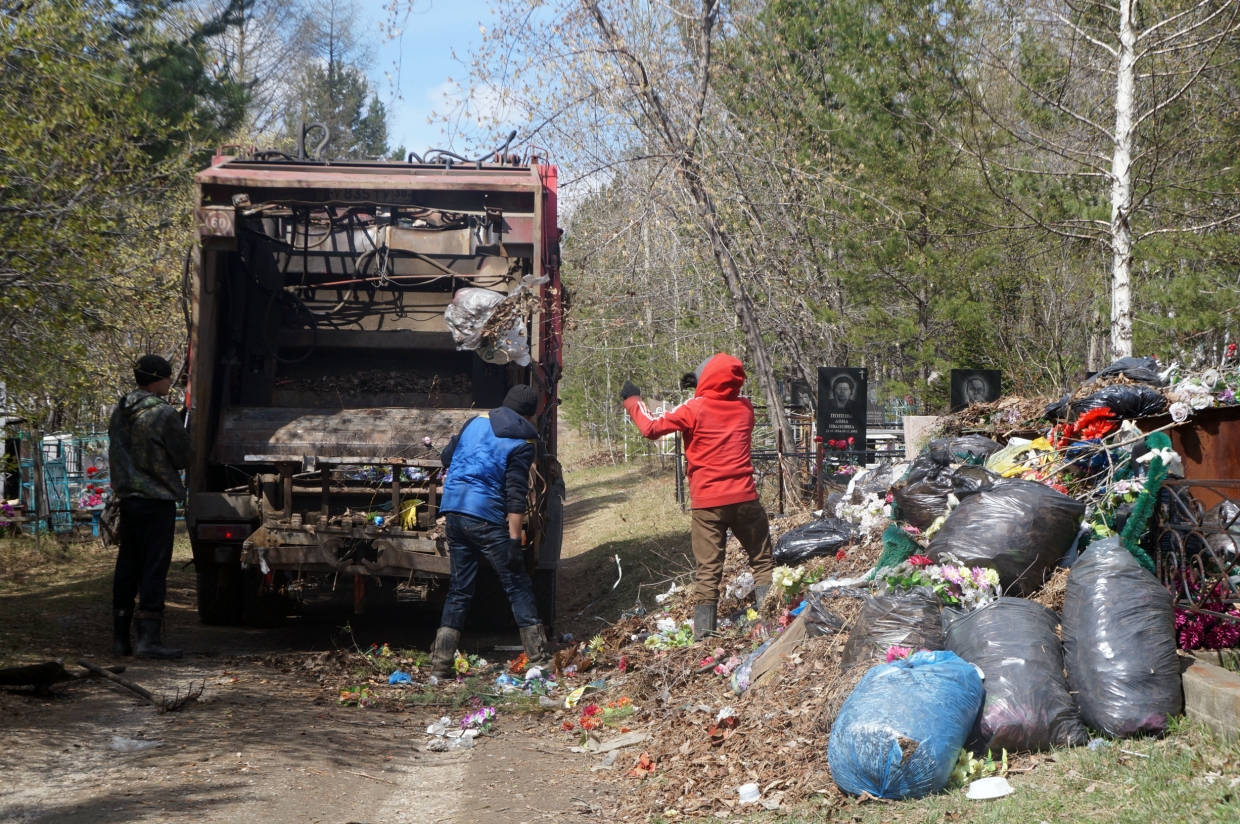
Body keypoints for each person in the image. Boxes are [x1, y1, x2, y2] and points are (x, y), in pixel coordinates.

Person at [620, 354, 773, 640]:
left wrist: (633, 400)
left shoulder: (693, 408)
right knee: (762, 562)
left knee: (708, 572)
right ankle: (772, 626)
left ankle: (705, 639)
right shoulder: (746, 408)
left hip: (708, 504)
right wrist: (700, 385)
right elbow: (715, 406)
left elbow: (652, 427)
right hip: (745, 499)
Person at [428, 384, 552, 679]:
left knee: (459, 590)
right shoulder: (522, 443)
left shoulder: (473, 423)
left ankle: (441, 663)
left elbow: (446, 459)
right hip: (485, 519)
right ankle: (540, 659)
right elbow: (515, 495)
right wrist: (513, 539)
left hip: (454, 514)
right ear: (529, 414)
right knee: (517, 585)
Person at [108, 354, 192, 659]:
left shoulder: (120, 410)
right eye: (168, 377)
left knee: (127, 565)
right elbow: (184, 457)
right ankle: (148, 640)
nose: (170, 382)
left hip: (128, 500)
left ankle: (120, 640)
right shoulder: (163, 413)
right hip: (157, 502)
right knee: (153, 568)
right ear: (157, 378)